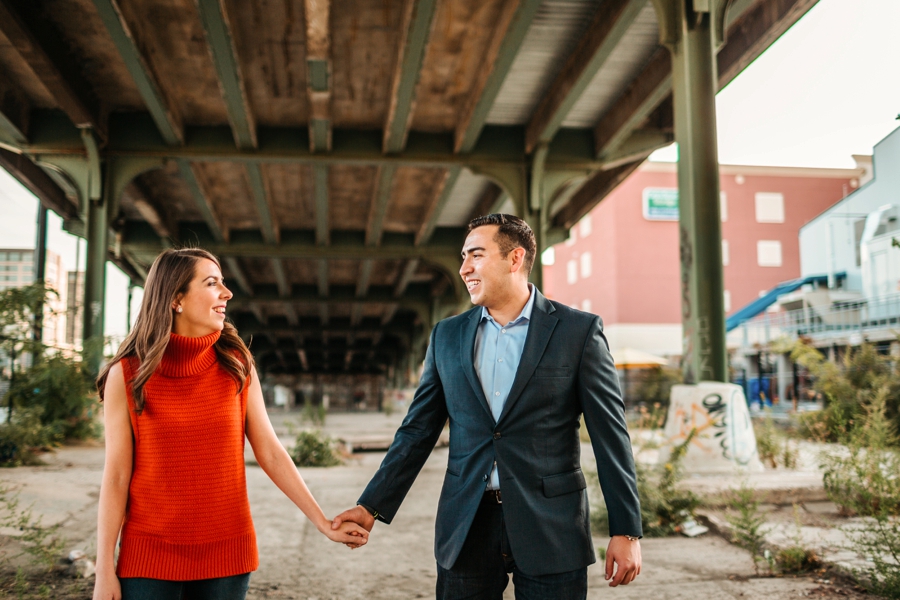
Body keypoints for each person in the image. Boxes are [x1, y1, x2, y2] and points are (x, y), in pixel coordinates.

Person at [332, 214, 643, 599]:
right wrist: (371, 507)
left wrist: (625, 530)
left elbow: (611, 436)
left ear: (515, 259)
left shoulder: (578, 332)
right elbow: (417, 431)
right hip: (466, 524)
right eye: (463, 257)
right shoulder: (447, 335)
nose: (464, 269)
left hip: (551, 525)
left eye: (476, 256)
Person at [92, 248, 367, 600]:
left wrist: (321, 521)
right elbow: (116, 476)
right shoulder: (128, 375)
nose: (227, 293)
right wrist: (104, 569)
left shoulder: (236, 363)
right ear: (176, 298)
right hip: (148, 559)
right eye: (212, 283)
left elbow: (270, 451)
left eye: (224, 282)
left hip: (227, 560)